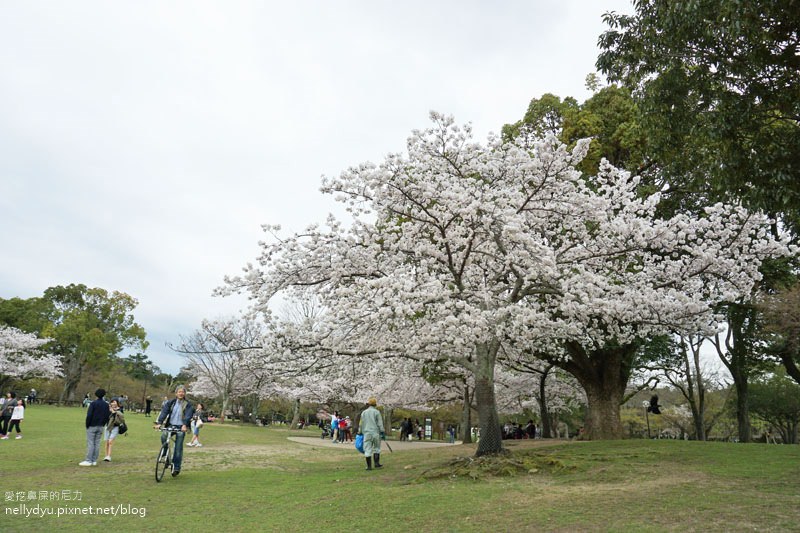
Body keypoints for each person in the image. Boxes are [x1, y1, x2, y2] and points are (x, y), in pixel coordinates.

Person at [155, 385, 195, 477]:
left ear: (185, 393)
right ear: (176, 393)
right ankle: (165, 455)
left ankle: (176, 467)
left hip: (181, 426)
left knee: (178, 447)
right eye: (179, 392)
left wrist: (185, 425)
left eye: (183, 392)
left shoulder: (187, 404)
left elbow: (188, 415)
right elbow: (164, 412)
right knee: (164, 436)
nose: (181, 393)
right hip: (171, 425)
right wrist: (159, 423)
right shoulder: (171, 402)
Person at [80, 389, 110, 466]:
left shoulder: (93, 404)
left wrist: (87, 424)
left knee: (90, 443)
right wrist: (103, 424)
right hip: (101, 426)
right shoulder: (106, 405)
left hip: (92, 425)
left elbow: (89, 415)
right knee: (97, 443)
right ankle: (94, 460)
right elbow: (107, 416)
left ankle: (88, 460)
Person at [358, 397, 384, 471]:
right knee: (377, 448)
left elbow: (361, 423)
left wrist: (360, 431)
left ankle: (369, 466)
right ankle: (376, 463)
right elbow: (380, 423)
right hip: (375, 433)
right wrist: (382, 431)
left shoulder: (364, 413)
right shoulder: (377, 412)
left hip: (366, 433)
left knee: (368, 449)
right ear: (375, 404)